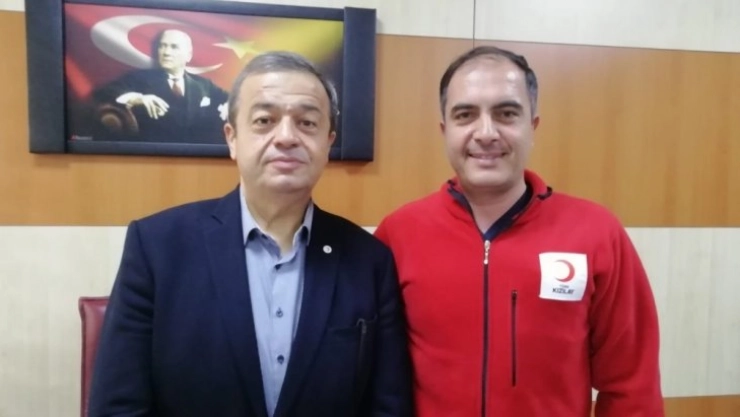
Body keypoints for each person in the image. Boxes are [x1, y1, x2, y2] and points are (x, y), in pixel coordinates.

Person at [88, 51, 413, 417]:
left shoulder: (369, 260)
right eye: (264, 120)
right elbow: (118, 407)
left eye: (307, 123)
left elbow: (388, 407)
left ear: (328, 143)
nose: (286, 137)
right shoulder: (157, 247)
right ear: (232, 138)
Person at [374, 45, 664, 417]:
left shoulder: (596, 234)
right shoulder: (398, 234)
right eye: (465, 115)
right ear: (445, 130)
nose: (486, 133)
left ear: (532, 126)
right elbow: (373, 376)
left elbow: (632, 385)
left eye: (506, 113)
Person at [92, 29, 228, 144]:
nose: (166, 52)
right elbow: (105, 92)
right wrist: (139, 98)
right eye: (162, 46)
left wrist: (228, 107)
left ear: (188, 55)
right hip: (152, 153)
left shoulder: (203, 84)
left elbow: (230, 99)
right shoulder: (140, 78)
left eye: (174, 47)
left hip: (195, 156)